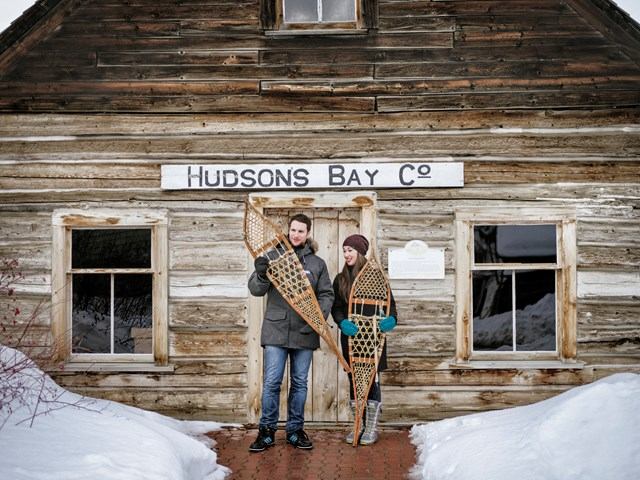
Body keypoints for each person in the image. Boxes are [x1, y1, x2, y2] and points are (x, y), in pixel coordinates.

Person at [247, 213, 334, 452]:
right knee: (272, 381)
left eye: (301, 231)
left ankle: (295, 430)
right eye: (293, 230)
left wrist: (318, 318)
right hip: (276, 329)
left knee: (299, 383)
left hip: (305, 331)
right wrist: (262, 273)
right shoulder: (273, 256)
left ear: (307, 234)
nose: (296, 235)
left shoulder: (316, 264)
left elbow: (326, 294)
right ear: (289, 230)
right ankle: (266, 431)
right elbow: (256, 289)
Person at [331, 234, 397, 446]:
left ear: (360, 253)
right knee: (354, 380)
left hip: (374, 338)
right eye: (344, 251)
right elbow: (337, 308)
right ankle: (357, 424)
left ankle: (370, 428)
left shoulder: (377, 277)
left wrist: (391, 320)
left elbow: (391, 305)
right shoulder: (340, 280)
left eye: (350, 250)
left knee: (372, 380)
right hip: (351, 338)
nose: (346, 254)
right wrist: (342, 323)